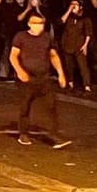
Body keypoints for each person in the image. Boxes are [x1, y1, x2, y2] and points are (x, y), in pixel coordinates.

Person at [10, 11, 71, 148]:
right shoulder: (20, 37)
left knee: (51, 105)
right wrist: (20, 71)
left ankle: (54, 135)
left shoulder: (47, 38)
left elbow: (53, 56)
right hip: (27, 78)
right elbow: (13, 56)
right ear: (29, 24)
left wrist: (61, 74)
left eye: (41, 24)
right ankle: (23, 134)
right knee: (25, 105)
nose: (39, 26)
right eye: (36, 23)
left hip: (44, 77)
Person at [59, 0, 93, 93]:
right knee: (69, 65)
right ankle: (70, 83)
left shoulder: (85, 19)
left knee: (83, 66)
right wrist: (69, 10)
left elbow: (88, 33)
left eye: (76, 4)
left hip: (79, 44)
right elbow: (61, 22)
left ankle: (87, 85)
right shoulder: (69, 17)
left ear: (80, 7)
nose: (73, 6)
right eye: (72, 3)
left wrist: (85, 45)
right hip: (67, 44)